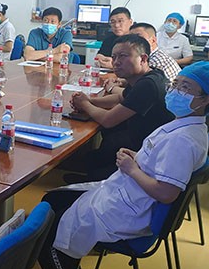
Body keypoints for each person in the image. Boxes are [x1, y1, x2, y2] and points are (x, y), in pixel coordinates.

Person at [39, 61, 209, 269]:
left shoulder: (184, 141)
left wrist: (132, 169)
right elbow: (161, 165)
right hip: (126, 193)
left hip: (130, 209)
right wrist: (138, 158)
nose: (176, 91)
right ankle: (71, 267)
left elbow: (166, 193)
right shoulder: (184, 125)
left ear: (205, 98)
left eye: (186, 88)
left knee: (47, 245)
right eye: (176, 84)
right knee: (53, 199)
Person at [64, 34, 174, 182]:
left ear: (143, 59)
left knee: (95, 157)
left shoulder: (148, 85)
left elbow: (108, 120)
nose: (116, 62)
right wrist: (90, 100)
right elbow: (120, 98)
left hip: (146, 151)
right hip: (143, 139)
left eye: (123, 56)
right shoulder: (148, 75)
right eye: (114, 57)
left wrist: (85, 104)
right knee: (90, 158)